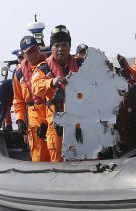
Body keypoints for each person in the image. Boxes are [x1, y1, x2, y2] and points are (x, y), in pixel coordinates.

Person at [31, 25, 83, 162]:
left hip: (82, 124)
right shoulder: (43, 68)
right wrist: (51, 82)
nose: (60, 49)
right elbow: (35, 86)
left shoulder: (82, 64)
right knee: (59, 166)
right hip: (57, 128)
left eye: (64, 45)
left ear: (69, 47)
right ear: (51, 48)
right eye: (56, 45)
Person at [16, 35, 50, 162]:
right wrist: (20, 120)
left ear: (39, 50)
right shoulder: (19, 73)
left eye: (35, 50)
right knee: (38, 157)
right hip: (33, 120)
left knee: (58, 155)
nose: (33, 54)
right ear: (24, 55)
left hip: (51, 115)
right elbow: (18, 99)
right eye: (29, 52)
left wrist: (47, 121)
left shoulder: (49, 66)